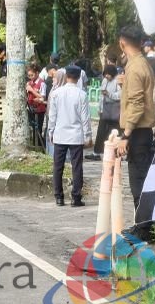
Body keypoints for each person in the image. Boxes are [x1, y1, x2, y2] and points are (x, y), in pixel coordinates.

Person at [117, 25, 155, 241]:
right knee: (141, 179)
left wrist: (126, 135)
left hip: (138, 132)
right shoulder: (142, 64)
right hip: (143, 131)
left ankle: (144, 229)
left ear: (122, 43)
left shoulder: (134, 68)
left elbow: (136, 104)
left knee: (138, 181)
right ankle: (142, 225)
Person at [46, 65, 92, 207]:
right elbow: (85, 118)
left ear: (66, 77)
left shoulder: (56, 93)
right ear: (78, 78)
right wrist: (88, 135)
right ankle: (76, 198)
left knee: (58, 166)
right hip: (76, 136)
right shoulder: (82, 95)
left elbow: (52, 116)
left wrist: (50, 131)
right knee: (76, 167)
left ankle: (59, 197)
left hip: (60, 134)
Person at [87, 64, 120, 161]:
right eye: (105, 74)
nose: (106, 76)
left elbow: (120, 95)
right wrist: (99, 108)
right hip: (104, 109)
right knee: (101, 132)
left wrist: (109, 94)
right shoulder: (105, 80)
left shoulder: (117, 81)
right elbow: (101, 96)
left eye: (108, 74)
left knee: (113, 132)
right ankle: (97, 152)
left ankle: (113, 153)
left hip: (114, 110)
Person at [26, 63, 47, 150]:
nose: (30, 77)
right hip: (30, 109)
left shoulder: (42, 83)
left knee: (38, 130)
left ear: (37, 73)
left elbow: (42, 97)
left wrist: (32, 90)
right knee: (33, 129)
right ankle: (35, 146)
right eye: (29, 75)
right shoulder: (29, 83)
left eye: (32, 75)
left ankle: (40, 147)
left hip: (39, 110)